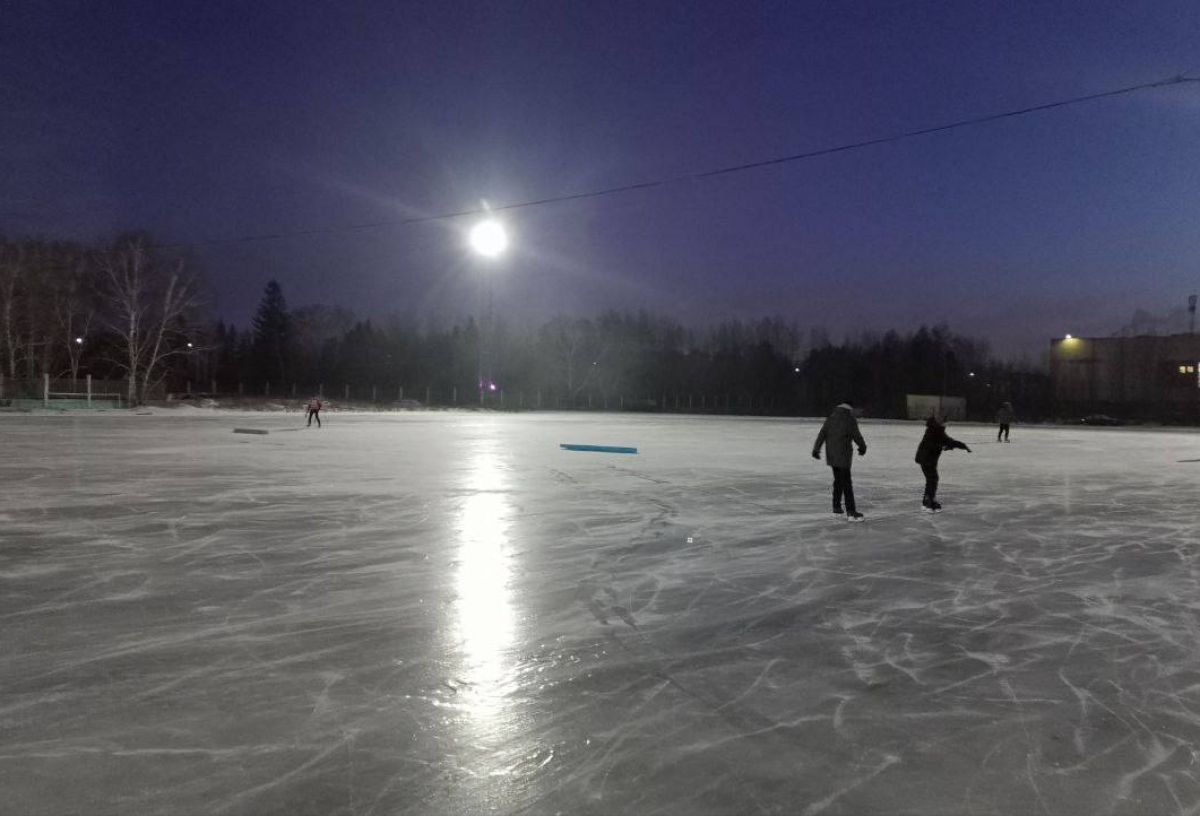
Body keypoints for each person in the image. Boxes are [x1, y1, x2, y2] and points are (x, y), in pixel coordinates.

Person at [812, 402, 868, 521]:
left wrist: (816, 449)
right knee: (847, 484)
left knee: (838, 481)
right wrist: (863, 447)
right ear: (849, 410)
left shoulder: (830, 419)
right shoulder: (849, 420)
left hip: (832, 455)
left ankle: (836, 507)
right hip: (843, 455)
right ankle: (851, 513)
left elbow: (821, 434)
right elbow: (857, 436)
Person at [915, 412, 971, 512]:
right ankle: (929, 502)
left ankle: (927, 500)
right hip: (926, 459)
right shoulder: (932, 430)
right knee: (932, 479)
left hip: (927, 459)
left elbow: (949, 441)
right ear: (940, 422)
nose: (946, 424)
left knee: (931, 479)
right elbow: (931, 444)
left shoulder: (937, 430)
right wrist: (942, 446)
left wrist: (963, 446)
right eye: (945, 422)